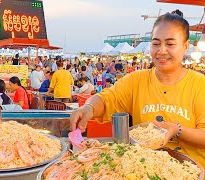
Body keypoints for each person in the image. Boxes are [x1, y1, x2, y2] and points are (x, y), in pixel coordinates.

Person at [70, 11, 205, 167]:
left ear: (185, 46)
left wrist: (177, 129)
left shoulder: (200, 84)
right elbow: (107, 99)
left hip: (191, 171)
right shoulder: (136, 80)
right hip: (143, 170)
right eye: (155, 43)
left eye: (170, 44)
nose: (161, 51)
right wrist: (89, 107)